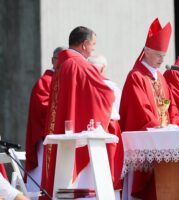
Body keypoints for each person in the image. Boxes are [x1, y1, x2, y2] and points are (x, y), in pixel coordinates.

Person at [39, 26, 116, 199]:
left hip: (60, 125)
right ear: (84, 44)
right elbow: (104, 94)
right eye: (93, 45)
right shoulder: (79, 64)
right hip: (74, 131)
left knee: (59, 175)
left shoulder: (63, 63)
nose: (93, 49)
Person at [119, 18, 179, 200]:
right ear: (146, 52)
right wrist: (159, 127)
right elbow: (140, 110)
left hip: (164, 139)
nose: (162, 60)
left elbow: (172, 106)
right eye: (157, 55)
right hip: (148, 141)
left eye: (163, 55)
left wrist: (176, 125)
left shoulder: (161, 77)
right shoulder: (136, 76)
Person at [25, 47, 65, 195]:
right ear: (53, 61)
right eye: (59, 60)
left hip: (60, 139)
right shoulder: (45, 82)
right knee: (42, 179)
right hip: (45, 140)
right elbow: (43, 108)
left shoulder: (62, 79)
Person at [87, 54, 124, 199]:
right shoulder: (113, 87)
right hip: (110, 132)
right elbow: (119, 110)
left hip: (91, 132)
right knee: (108, 172)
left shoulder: (83, 84)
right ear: (103, 68)